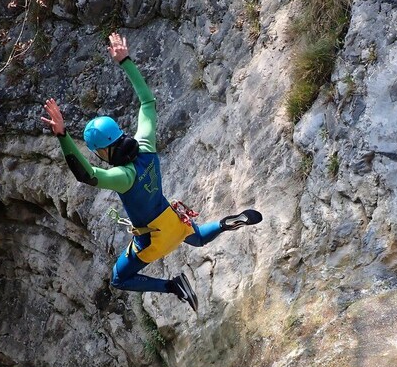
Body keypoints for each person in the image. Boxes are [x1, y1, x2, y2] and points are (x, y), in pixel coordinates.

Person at [41, 32, 262, 312]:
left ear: (103, 151)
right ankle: (223, 224)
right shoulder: (146, 145)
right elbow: (148, 103)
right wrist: (126, 61)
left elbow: (86, 175)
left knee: (120, 279)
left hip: (153, 238)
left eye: (97, 153)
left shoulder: (124, 177)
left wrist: (62, 136)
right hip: (173, 220)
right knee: (196, 238)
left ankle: (173, 286)